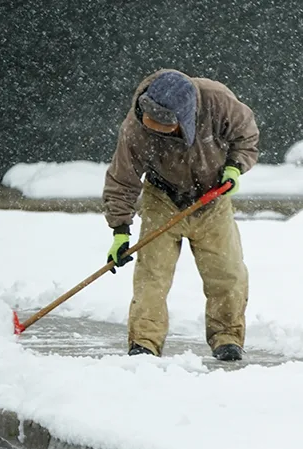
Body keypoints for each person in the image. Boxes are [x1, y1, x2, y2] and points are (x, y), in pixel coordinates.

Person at [102, 68, 259, 361]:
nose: (154, 130)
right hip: (162, 198)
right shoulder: (135, 129)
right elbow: (123, 179)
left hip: (212, 199)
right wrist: (120, 230)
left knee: (227, 274)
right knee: (152, 277)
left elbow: (246, 137)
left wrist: (235, 167)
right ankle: (144, 343)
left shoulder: (218, 102)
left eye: (167, 127)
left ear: (184, 117)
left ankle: (227, 337)